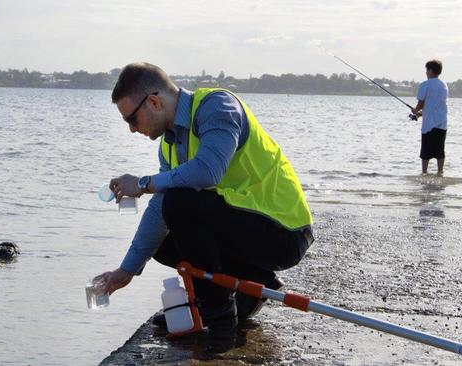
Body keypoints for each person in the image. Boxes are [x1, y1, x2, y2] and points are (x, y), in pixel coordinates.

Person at [97, 62, 314, 334]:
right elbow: (159, 208)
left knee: (179, 201)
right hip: (246, 229)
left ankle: (215, 308)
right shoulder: (169, 144)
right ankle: (253, 286)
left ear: (153, 102)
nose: (131, 129)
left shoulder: (217, 108)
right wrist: (126, 271)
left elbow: (208, 170)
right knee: (162, 240)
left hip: (284, 231)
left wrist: (143, 184)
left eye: (132, 119)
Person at [411, 59, 448, 176]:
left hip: (429, 124)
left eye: (427, 70)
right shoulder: (443, 85)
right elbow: (434, 105)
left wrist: (415, 110)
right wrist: (419, 113)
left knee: (426, 152)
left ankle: (424, 172)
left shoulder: (424, 85)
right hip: (442, 122)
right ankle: (440, 172)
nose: (426, 72)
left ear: (431, 70)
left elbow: (421, 103)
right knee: (440, 150)